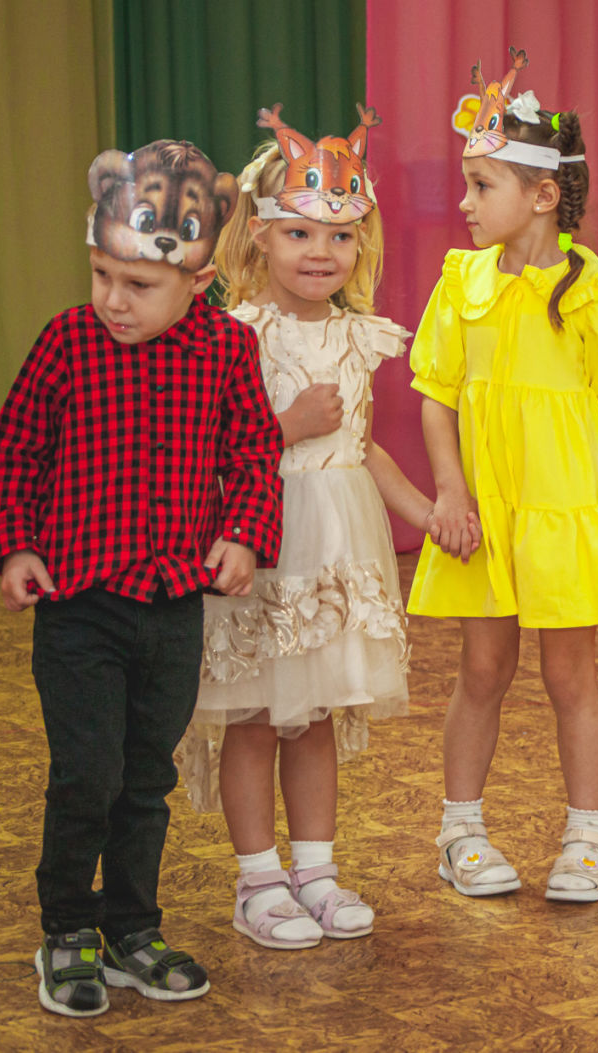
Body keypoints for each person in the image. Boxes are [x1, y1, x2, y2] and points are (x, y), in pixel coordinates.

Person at [0, 138, 282, 1015]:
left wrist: (244, 536)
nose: (113, 298)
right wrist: (15, 547)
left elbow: (255, 453)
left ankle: (131, 929)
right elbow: (15, 453)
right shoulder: (67, 342)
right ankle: (67, 930)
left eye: (138, 284)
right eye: (102, 275)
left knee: (145, 776)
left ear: (197, 279)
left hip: (171, 608)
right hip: (78, 608)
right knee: (87, 773)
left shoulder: (226, 349)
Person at [176, 104, 476, 948]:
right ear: (261, 237)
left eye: (340, 237)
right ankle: (258, 880)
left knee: (312, 717)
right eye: (301, 233)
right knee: (253, 716)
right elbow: (209, 450)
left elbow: (364, 446)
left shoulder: (357, 336)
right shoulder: (235, 335)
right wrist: (286, 427)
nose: (321, 252)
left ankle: (315, 870)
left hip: (338, 551)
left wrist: (427, 511)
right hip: (262, 546)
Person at [409, 49, 598, 902]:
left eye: (480, 185)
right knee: (483, 670)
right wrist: (451, 491)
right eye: (467, 184)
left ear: (542, 195)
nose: (464, 202)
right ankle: (460, 830)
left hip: (564, 510)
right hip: (487, 512)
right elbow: (436, 397)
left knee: (571, 678)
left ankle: (587, 838)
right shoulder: (462, 281)